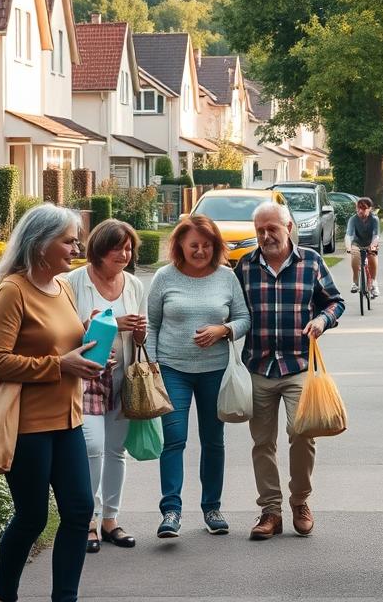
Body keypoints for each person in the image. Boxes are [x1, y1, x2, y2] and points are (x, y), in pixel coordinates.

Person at [0, 204, 102, 602]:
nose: (76, 248)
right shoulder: (13, 291)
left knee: (79, 511)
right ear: (40, 244)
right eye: (68, 241)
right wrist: (59, 364)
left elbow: (62, 341)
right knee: (32, 517)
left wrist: (89, 340)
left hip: (69, 420)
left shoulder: (63, 287)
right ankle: (4, 595)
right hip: (28, 426)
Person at [234, 202, 345, 540]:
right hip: (258, 365)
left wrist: (322, 320)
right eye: (260, 230)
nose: (266, 236)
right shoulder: (245, 266)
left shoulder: (310, 261)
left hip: (298, 364)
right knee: (262, 443)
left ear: (289, 228)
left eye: (272, 229)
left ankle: (299, 501)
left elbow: (335, 301)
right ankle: (270, 511)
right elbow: (232, 308)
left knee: (302, 433)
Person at [147, 215, 251, 539]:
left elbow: (244, 318)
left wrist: (224, 330)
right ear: (180, 244)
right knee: (174, 439)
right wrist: (152, 366)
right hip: (172, 369)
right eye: (194, 245)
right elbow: (152, 324)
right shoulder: (164, 277)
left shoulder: (226, 277)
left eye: (207, 245)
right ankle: (171, 511)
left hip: (215, 371)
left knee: (213, 440)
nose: (201, 251)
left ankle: (212, 508)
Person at [64, 219, 147, 554]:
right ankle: (88, 520)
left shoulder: (134, 285)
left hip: (122, 377)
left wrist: (139, 332)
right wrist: (108, 324)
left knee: (116, 450)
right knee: (93, 446)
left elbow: (141, 337)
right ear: (99, 249)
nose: (124, 255)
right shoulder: (74, 282)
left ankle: (111, 519)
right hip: (85, 379)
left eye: (128, 248)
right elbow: (64, 332)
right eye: (118, 248)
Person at [344, 196, 380, 297]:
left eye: (364, 208)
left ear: (370, 209)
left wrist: (372, 246)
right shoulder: (353, 219)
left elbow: (376, 235)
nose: (360, 211)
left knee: (372, 256)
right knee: (355, 257)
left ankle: (374, 283)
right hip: (357, 243)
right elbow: (348, 235)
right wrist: (349, 248)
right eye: (358, 208)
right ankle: (355, 282)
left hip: (370, 242)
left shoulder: (374, 219)